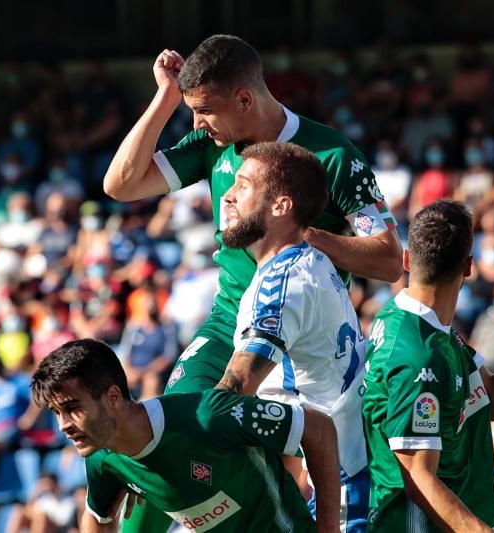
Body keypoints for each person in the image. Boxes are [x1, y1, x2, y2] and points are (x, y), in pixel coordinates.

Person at [103, 34, 401, 532]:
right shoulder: (213, 145)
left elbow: (390, 261)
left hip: (302, 337)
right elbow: (121, 184)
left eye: (203, 110)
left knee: (304, 462)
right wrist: (166, 98)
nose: (196, 124)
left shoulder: (331, 156)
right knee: (164, 427)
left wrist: (306, 235)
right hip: (228, 324)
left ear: (244, 99)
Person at [30, 338, 342, 532]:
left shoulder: (207, 416)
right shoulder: (101, 457)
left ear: (113, 397)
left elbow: (317, 429)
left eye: (72, 408)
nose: (63, 425)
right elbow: (97, 516)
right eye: (56, 413)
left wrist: (328, 528)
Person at [214, 142, 369, 531]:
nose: (228, 196)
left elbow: (233, 390)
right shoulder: (312, 262)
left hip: (340, 498)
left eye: (243, 186)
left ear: (281, 206)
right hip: (348, 479)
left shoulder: (280, 285)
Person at [362, 200, 494, 531]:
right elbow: (419, 477)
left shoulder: (425, 327)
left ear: (407, 259)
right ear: (468, 267)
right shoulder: (418, 356)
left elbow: (485, 394)